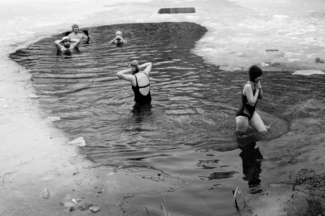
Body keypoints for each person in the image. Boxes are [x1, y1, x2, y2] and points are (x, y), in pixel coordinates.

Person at [236, 65, 269, 132]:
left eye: (261, 75)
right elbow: (252, 103)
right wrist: (257, 90)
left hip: (252, 113)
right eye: (259, 76)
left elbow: (260, 97)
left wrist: (259, 87)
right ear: (254, 76)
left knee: (263, 131)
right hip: (243, 115)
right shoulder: (248, 86)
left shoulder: (256, 84)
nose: (261, 77)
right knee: (242, 138)